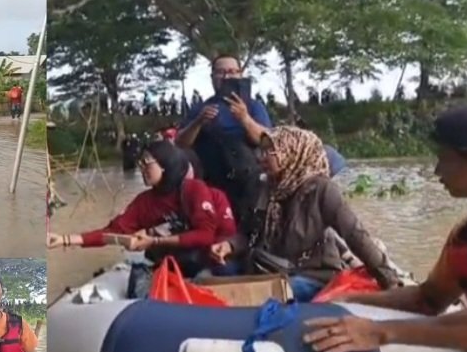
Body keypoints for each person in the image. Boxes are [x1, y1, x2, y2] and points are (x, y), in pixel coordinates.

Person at [303, 105, 467, 352]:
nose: (438, 171)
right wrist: (347, 301)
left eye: (445, 158)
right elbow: (427, 300)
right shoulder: (465, 236)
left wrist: (380, 331)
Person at [209, 126, 399, 301]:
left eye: (270, 152)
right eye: (262, 151)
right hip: (269, 269)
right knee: (212, 277)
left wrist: (390, 282)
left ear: (292, 152)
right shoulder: (266, 187)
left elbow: (355, 235)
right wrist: (229, 246)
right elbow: (248, 233)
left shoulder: (321, 189)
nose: (262, 157)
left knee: (276, 294)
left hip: (311, 275)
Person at [48, 141, 236, 278]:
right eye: (140, 163)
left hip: (209, 263)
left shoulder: (195, 189)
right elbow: (112, 232)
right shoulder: (144, 202)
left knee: (210, 275)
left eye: (147, 162)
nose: (142, 168)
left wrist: (154, 241)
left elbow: (206, 235)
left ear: (165, 165)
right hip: (174, 266)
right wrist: (65, 239)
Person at [176, 54, 273, 220]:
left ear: (240, 74)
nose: (227, 76)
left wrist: (245, 118)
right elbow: (180, 143)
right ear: (212, 77)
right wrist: (198, 122)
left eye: (232, 72)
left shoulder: (253, 106)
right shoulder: (201, 107)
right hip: (212, 180)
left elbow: (267, 142)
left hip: (249, 180)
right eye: (221, 72)